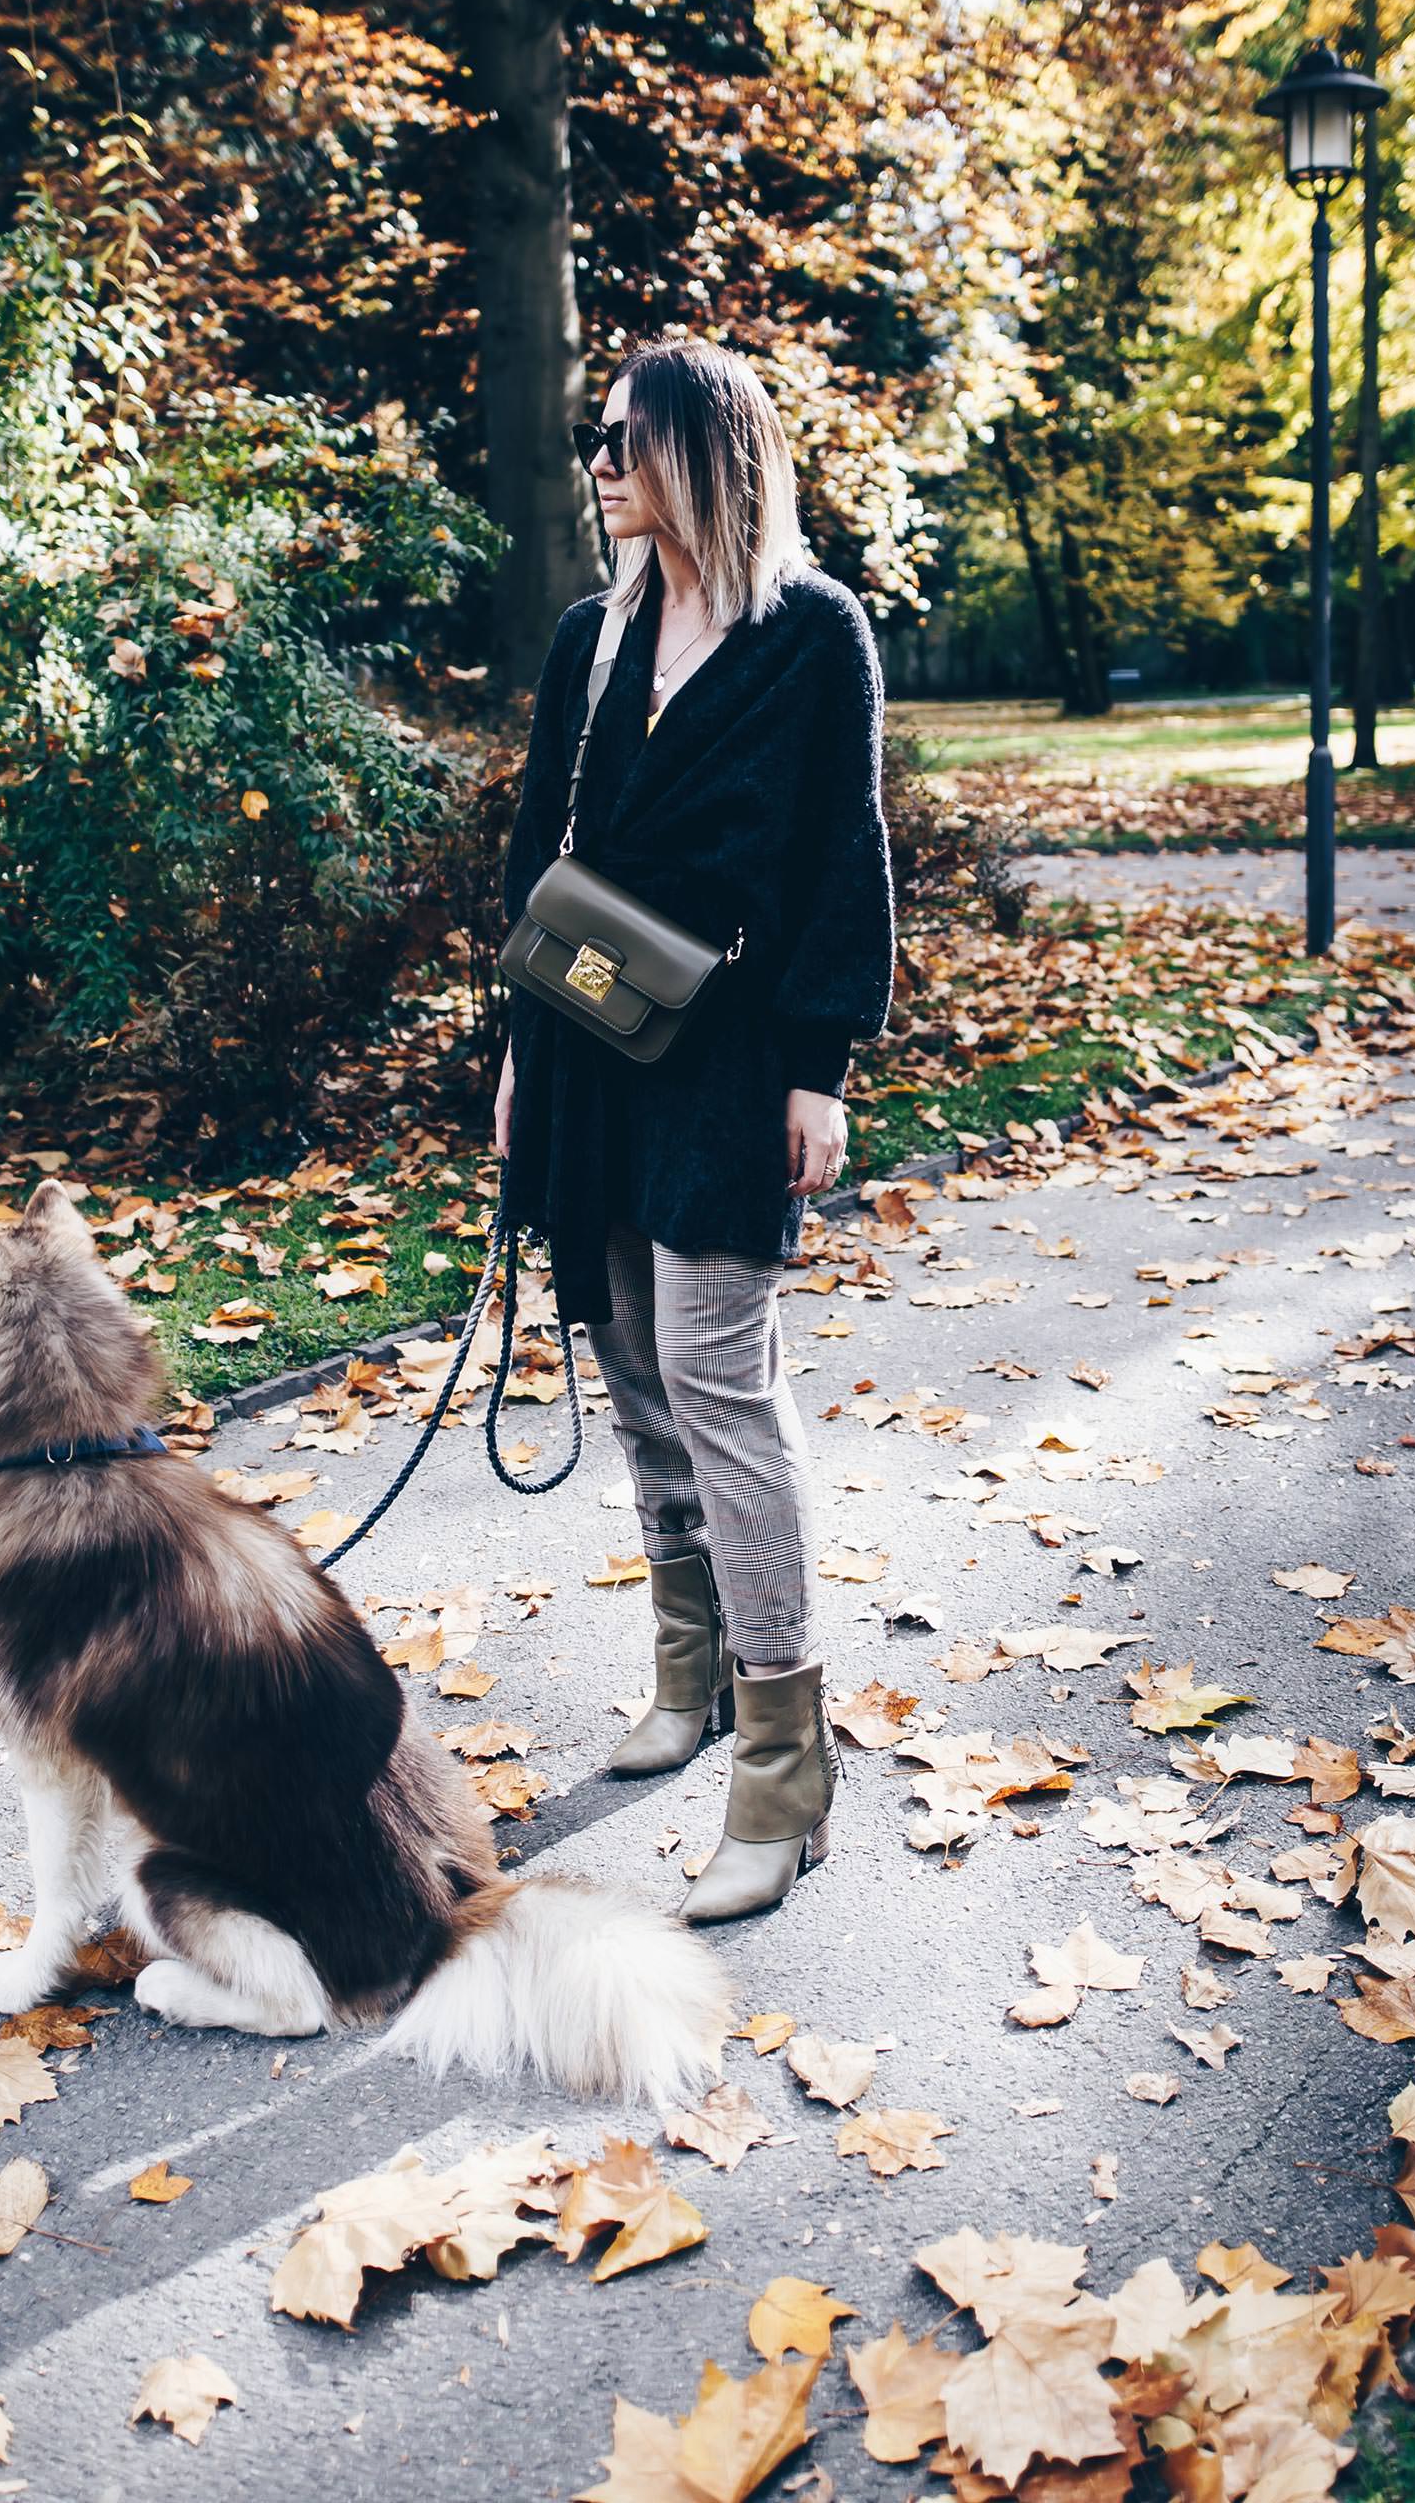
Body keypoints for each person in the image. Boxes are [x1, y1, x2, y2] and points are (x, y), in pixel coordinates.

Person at [493, 340, 894, 1924]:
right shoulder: (595, 639)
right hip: (592, 1047)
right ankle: (693, 1665)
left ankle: (787, 1773)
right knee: (633, 1362)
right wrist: (524, 1055)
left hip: (731, 1061)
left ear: (705, 454)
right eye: (591, 439)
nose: (597, 464)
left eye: (625, 440)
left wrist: (822, 1066)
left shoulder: (813, 636)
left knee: (723, 1378)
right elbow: (541, 861)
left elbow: (841, 858)